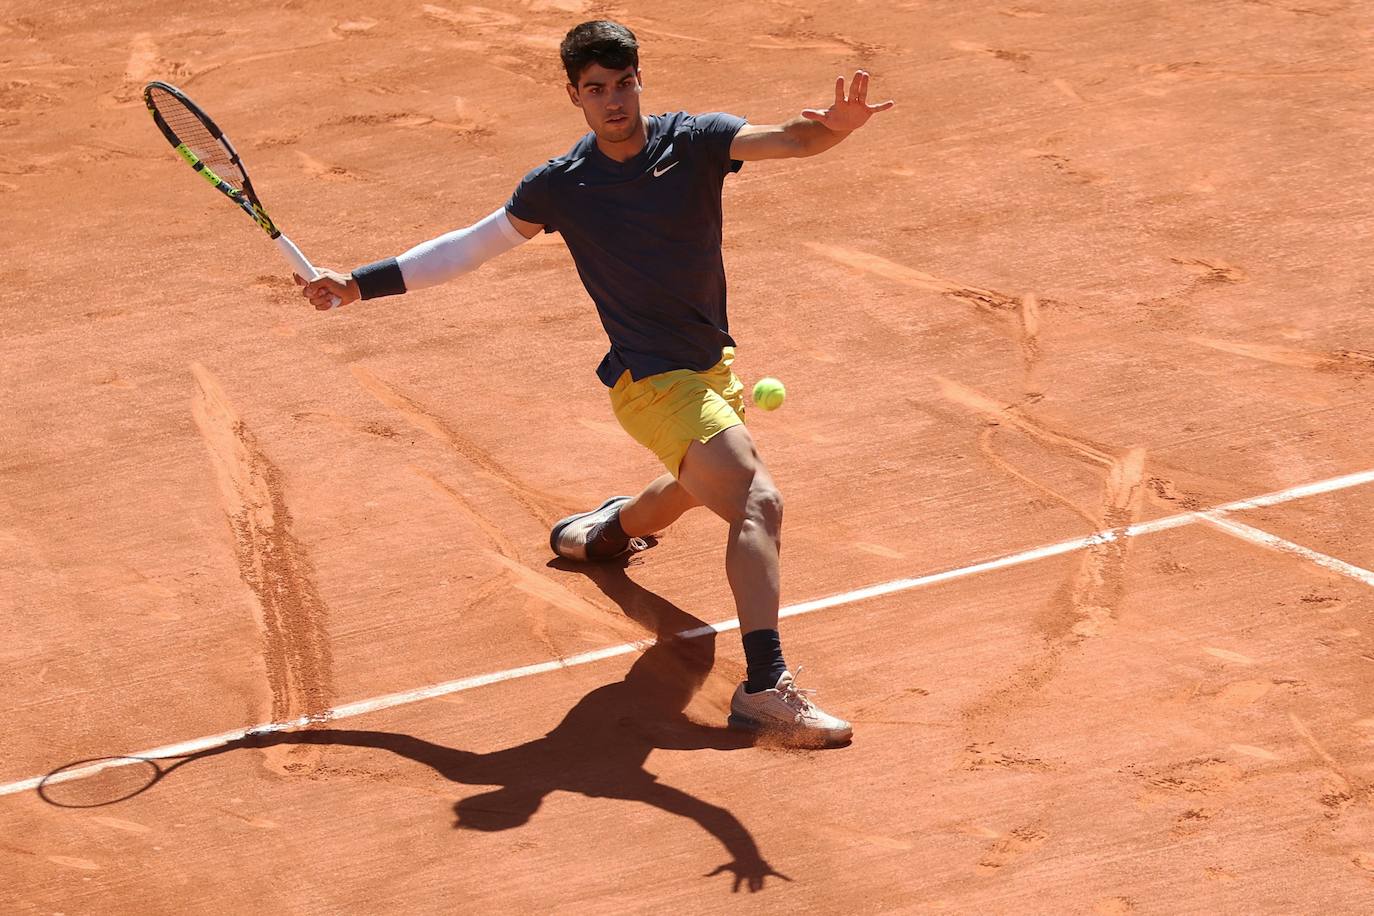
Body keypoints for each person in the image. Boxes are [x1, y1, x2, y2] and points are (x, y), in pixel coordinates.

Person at [299, 20, 894, 747]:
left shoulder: (697, 139)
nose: (612, 102)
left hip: (709, 368)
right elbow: (467, 248)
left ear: (640, 79)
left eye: (622, 84)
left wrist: (839, 128)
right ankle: (765, 688)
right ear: (574, 97)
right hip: (651, 382)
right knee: (756, 498)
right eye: (595, 90)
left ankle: (605, 533)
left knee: (693, 488)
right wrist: (358, 285)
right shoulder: (563, 186)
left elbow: (793, 140)